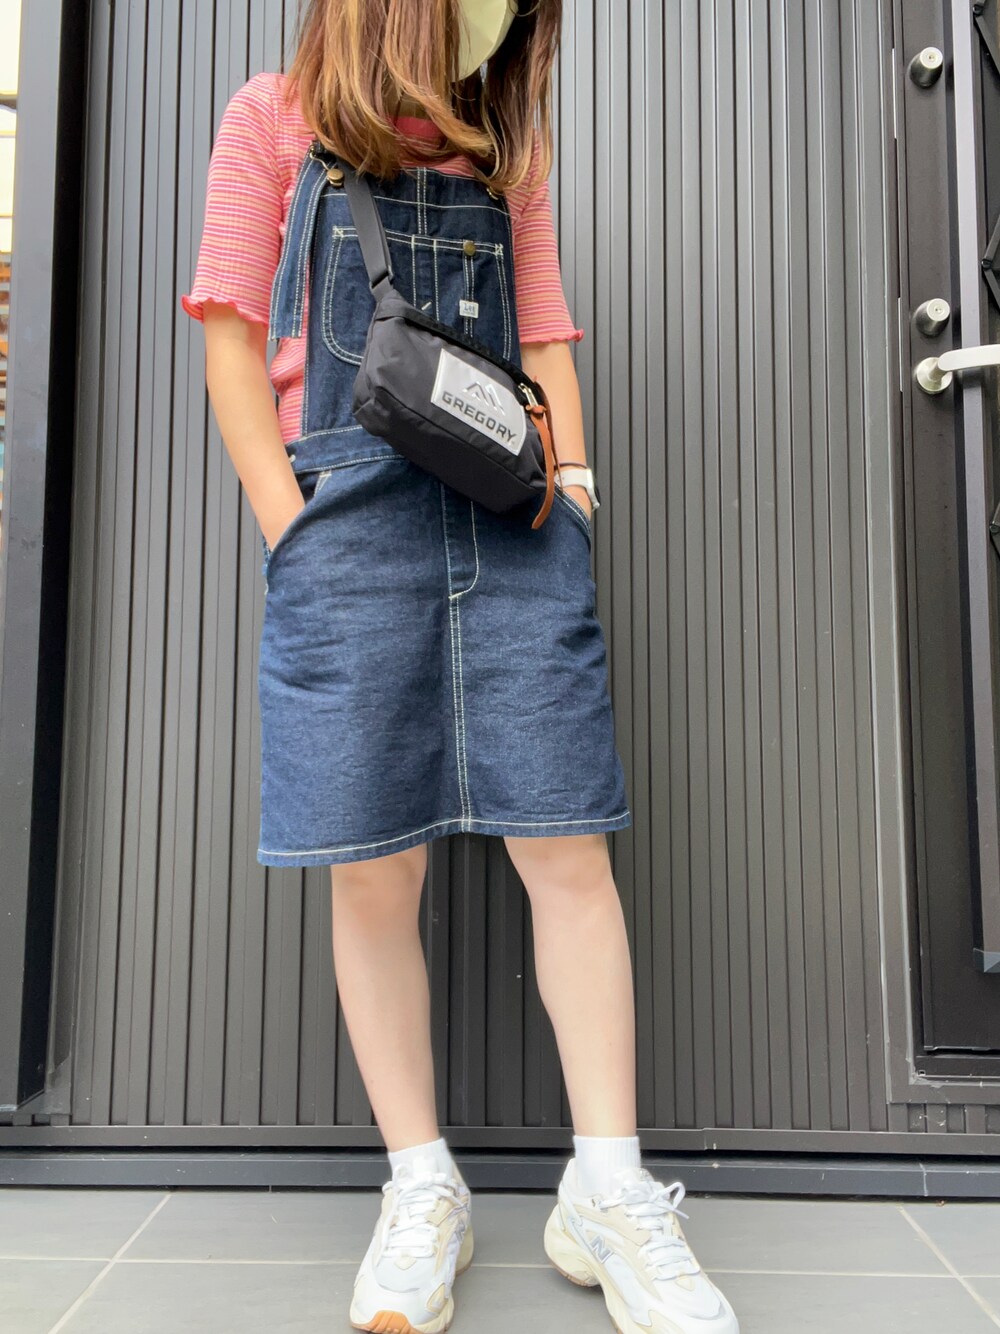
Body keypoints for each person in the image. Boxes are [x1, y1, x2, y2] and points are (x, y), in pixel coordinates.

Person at [181, 2, 740, 1332]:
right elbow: (229, 339)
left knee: (568, 842)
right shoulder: (271, 120)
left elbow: (543, 336)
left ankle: (608, 1188)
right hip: (346, 523)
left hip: (514, 517)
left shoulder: (504, 145)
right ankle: (421, 1182)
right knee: (373, 862)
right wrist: (292, 532)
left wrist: (577, 494)